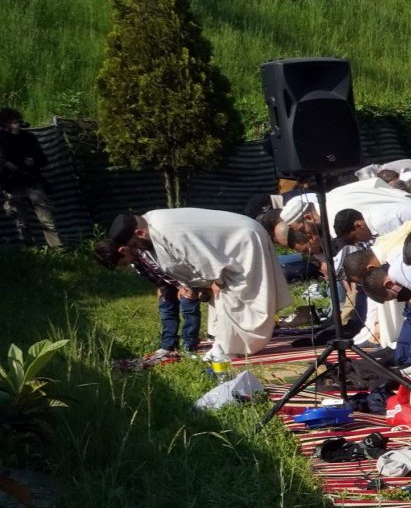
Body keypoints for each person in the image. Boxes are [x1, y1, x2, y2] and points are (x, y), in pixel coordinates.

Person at [95, 208, 286, 362]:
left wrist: (213, 280)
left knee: (239, 296)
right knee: (223, 299)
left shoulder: (166, 229)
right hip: (230, 246)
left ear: (140, 233)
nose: (137, 250)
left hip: (243, 240)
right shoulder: (152, 226)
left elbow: (198, 255)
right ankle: (226, 344)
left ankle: (236, 346)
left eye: (135, 244)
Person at [0, 108, 59, 249]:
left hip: (32, 182)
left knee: (46, 218)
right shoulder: (1, 139)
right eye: (14, 122)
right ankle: (31, 250)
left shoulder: (29, 137)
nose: (18, 125)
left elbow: (43, 160)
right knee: (21, 221)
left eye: (18, 122)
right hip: (12, 184)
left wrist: (34, 161)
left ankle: (57, 248)